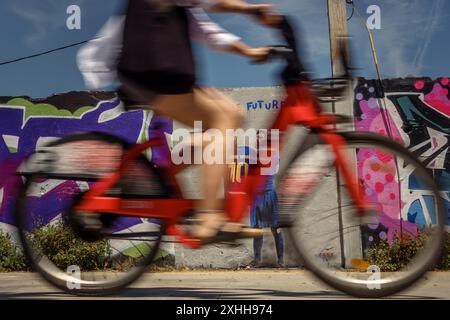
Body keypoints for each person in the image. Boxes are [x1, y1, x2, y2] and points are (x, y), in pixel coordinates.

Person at [115, 0, 283, 242]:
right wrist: (247, 9)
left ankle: (161, 176)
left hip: (161, 74)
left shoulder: (181, 9)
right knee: (223, 119)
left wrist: (248, 51)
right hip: (152, 73)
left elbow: (207, 31)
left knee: (232, 116)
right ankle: (209, 217)